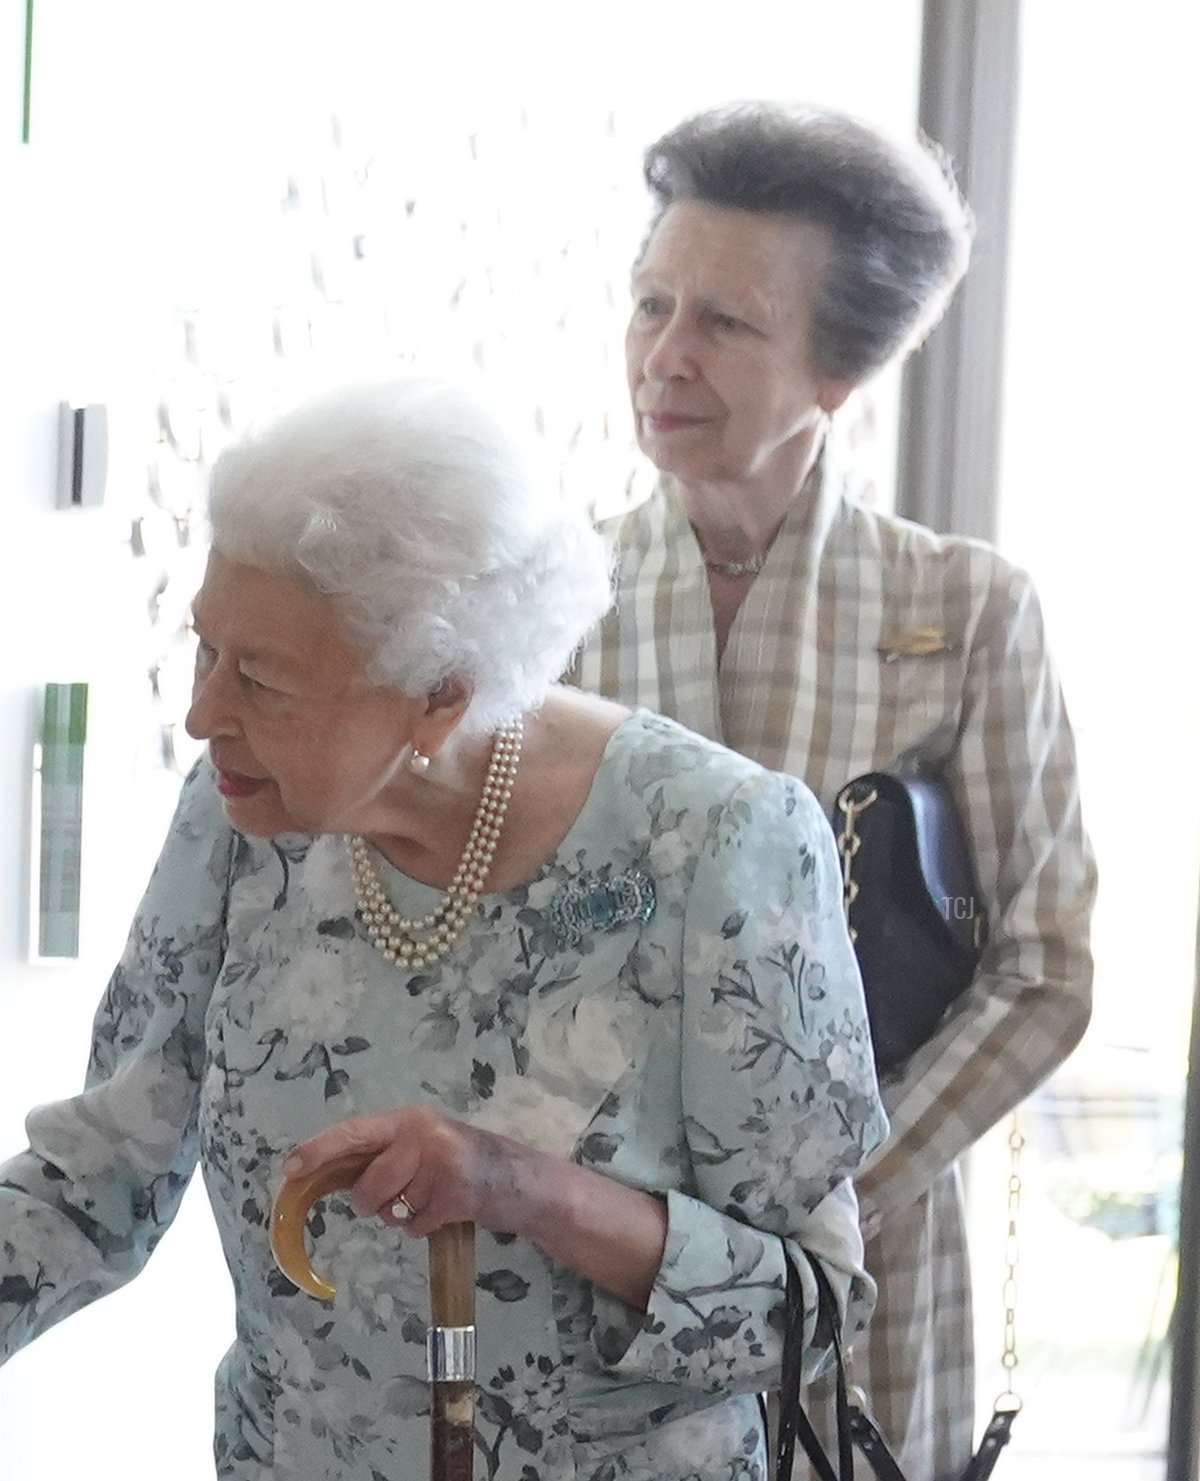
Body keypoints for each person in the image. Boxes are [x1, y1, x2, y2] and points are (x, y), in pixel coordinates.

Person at [0, 377, 886, 1480]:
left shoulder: (719, 843)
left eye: (263, 678)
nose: (203, 713)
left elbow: (810, 1305)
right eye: (205, 650)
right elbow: (94, 1183)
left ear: (439, 693)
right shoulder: (242, 813)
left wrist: (525, 1189)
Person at [573, 103, 1096, 1478]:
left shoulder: (967, 610)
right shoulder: (554, 594)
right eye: (649, 303)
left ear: (838, 375)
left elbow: (1048, 965)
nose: (665, 355)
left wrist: (830, 1187)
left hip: (876, 1260)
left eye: (725, 324)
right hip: (592, 1250)